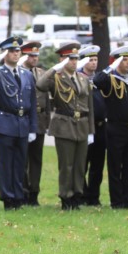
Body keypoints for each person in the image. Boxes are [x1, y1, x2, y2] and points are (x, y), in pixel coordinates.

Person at [0, 36, 37, 210]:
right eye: (11, 51)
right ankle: (8, 198)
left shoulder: (26, 74)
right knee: (6, 164)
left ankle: (19, 196)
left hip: (22, 123)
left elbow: (33, 103)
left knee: (20, 163)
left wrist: (33, 127)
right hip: (5, 123)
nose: (15, 53)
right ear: (5, 53)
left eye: (17, 50)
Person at [37, 42, 94, 210]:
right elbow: (40, 85)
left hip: (82, 125)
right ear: (62, 59)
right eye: (70, 59)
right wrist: (55, 68)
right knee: (66, 165)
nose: (74, 62)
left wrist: (91, 130)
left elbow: (89, 106)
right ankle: (66, 197)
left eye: (76, 59)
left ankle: (77, 195)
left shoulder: (83, 78)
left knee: (79, 165)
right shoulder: (56, 78)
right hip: (64, 125)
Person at [93, 46, 128, 209]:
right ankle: (117, 201)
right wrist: (111, 68)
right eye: (124, 60)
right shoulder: (110, 79)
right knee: (115, 166)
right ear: (116, 62)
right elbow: (96, 80)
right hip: (116, 129)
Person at [18, 41, 51, 206]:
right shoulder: (19, 72)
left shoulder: (41, 73)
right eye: (31, 55)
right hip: (24, 120)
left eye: (36, 55)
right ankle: (23, 191)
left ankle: (34, 192)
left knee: (36, 158)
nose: (34, 58)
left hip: (39, 120)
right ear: (24, 56)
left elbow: (46, 100)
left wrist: (48, 122)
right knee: (23, 158)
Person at [76, 45, 106, 206]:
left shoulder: (99, 80)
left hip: (101, 127)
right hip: (85, 126)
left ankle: (94, 196)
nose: (94, 63)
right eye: (90, 60)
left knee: (98, 164)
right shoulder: (79, 78)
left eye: (95, 60)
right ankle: (82, 193)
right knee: (82, 163)